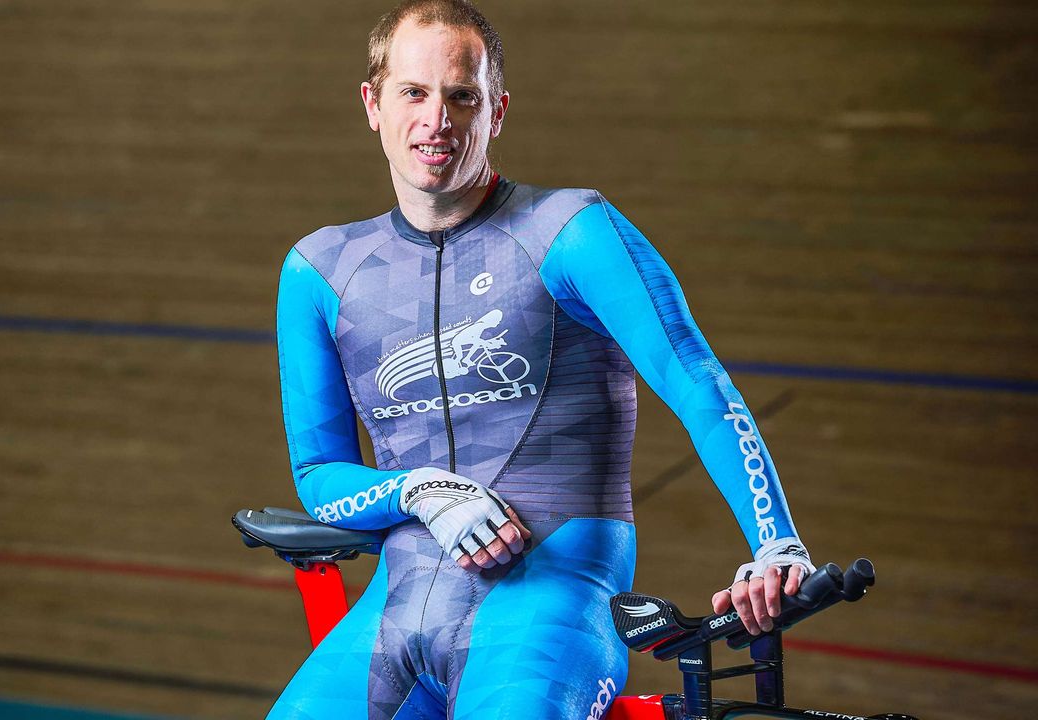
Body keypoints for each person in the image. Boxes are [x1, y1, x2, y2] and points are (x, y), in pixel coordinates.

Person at [272, 1, 813, 717]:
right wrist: (420, 491)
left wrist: (777, 543)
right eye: (414, 92)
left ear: (495, 110)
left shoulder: (571, 233)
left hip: (548, 610)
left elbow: (695, 380)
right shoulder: (320, 271)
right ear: (373, 104)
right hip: (394, 614)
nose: (437, 119)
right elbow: (318, 476)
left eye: (462, 95)